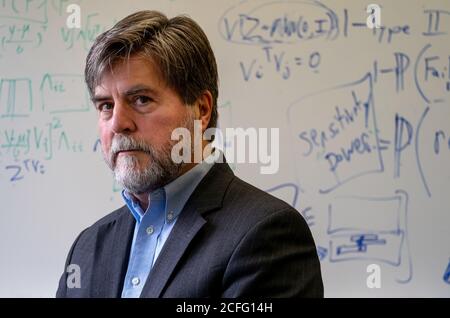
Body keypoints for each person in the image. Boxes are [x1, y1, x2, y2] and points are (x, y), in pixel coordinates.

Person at [56, 10, 323, 298]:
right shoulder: (86, 248)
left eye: (141, 99)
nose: (119, 123)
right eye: (106, 105)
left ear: (201, 110)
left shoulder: (267, 233)